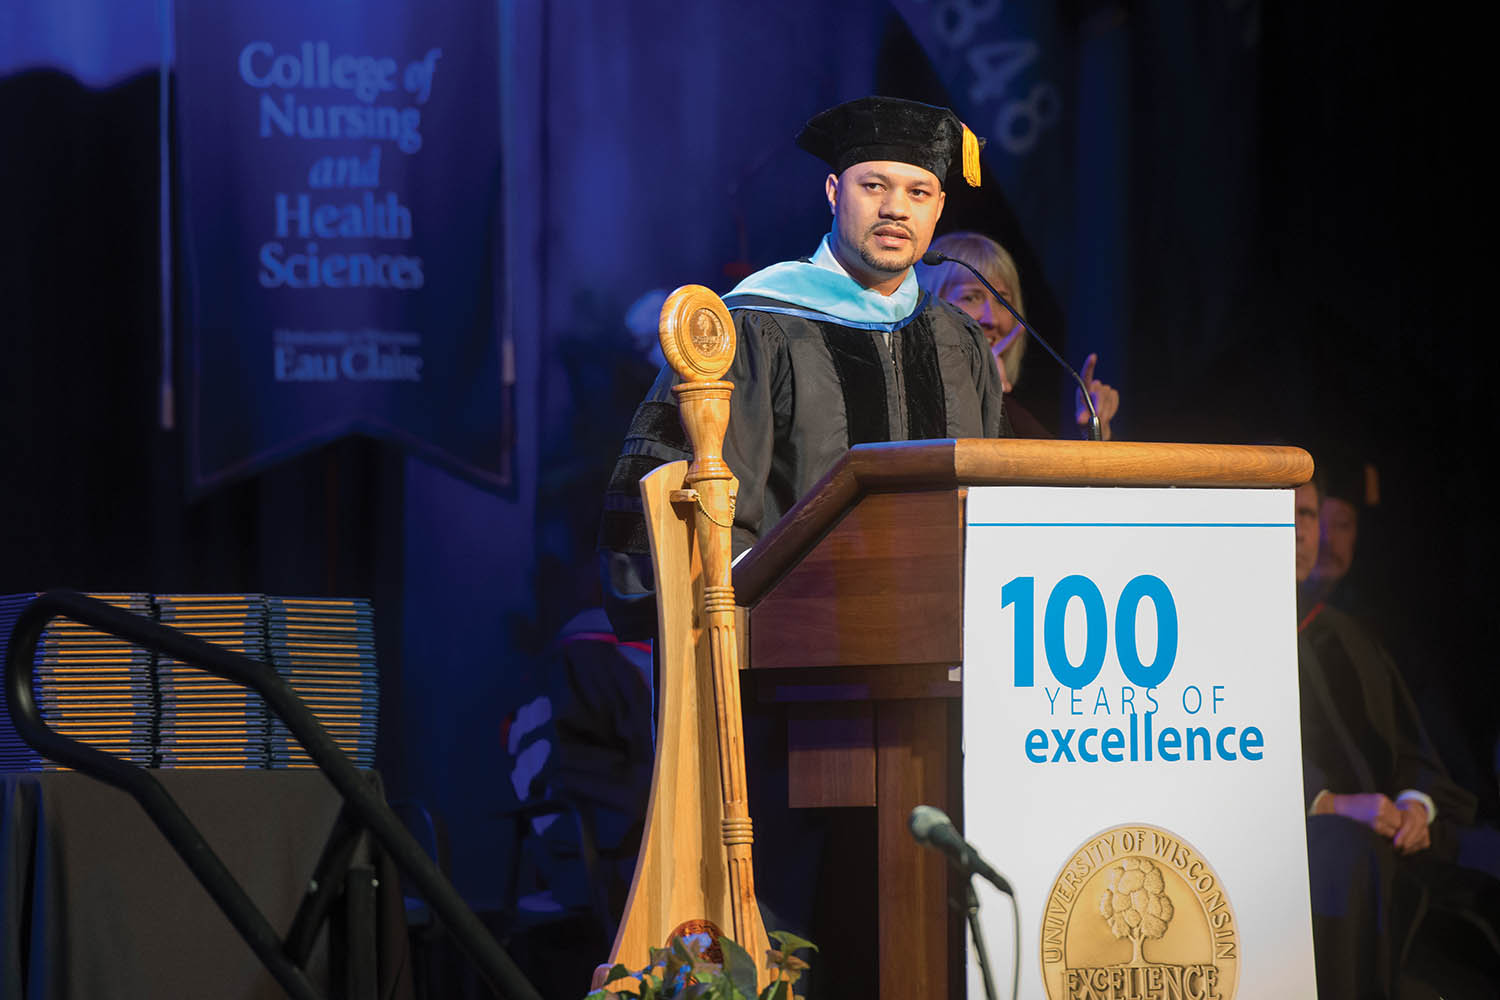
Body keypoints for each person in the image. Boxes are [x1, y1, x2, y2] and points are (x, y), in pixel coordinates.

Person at [600, 96, 1007, 641]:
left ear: (938, 208)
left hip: (947, 652)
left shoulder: (958, 341)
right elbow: (681, 508)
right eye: (874, 186)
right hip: (795, 657)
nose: (895, 209)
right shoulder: (754, 325)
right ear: (835, 192)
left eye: (918, 192)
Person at [1295, 474, 1500, 999]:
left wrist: (1416, 805)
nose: (1302, 533)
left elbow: (1409, 747)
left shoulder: (1350, 635)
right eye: (1288, 515)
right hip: (1330, 853)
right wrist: (1330, 802)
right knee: (1348, 855)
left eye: (1310, 517)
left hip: (1403, 844)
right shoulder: (1229, 633)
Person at [918, 230, 1121, 439]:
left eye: (1001, 300)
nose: (992, 319)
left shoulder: (1009, 406)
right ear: (929, 306)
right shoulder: (912, 392)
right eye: (970, 297)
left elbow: (1036, 467)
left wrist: (1093, 435)